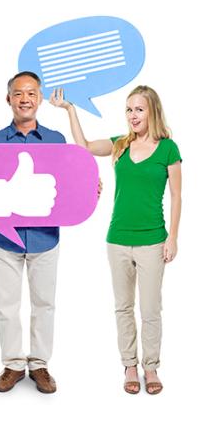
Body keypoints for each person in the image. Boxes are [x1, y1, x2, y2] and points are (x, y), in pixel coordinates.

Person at [51, 85, 181, 395]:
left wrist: (173, 238)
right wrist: (70, 109)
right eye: (129, 109)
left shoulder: (168, 149)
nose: (133, 115)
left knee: (150, 308)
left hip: (152, 240)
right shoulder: (120, 145)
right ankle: (129, 366)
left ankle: (151, 367)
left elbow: (177, 195)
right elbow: (82, 147)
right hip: (118, 239)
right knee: (123, 307)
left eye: (139, 109)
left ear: (152, 112)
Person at [0, 72, 66, 394]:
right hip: (5, 238)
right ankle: (13, 364)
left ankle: (40, 364)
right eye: (18, 94)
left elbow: (69, 184)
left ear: (40, 99)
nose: (24, 99)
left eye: (31, 93)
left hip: (45, 237)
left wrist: (90, 188)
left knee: (44, 302)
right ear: (9, 99)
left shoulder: (57, 141)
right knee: (6, 304)